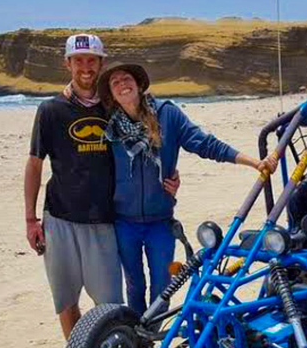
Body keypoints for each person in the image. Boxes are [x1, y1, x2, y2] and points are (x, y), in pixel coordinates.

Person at [24, 35, 177, 339]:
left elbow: (149, 139)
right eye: (78, 60)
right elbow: (35, 164)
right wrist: (30, 219)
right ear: (67, 63)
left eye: (92, 60)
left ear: (101, 64)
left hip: (106, 219)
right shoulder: (50, 110)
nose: (85, 67)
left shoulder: (113, 108)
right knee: (66, 300)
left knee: (108, 305)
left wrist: (170, 174)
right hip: (59, 218)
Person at [97, 62, 278, 316]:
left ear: (138, 84)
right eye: (115, 83)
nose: (122, 85)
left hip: (160, 222)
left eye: (126, 79)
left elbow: (205, 144)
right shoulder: (108, 127)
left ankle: (146, 337)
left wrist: (254, 162)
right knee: (134, 287)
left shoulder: (167, 115)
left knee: (163, 288)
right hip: (124, 223)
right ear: (112, 95)